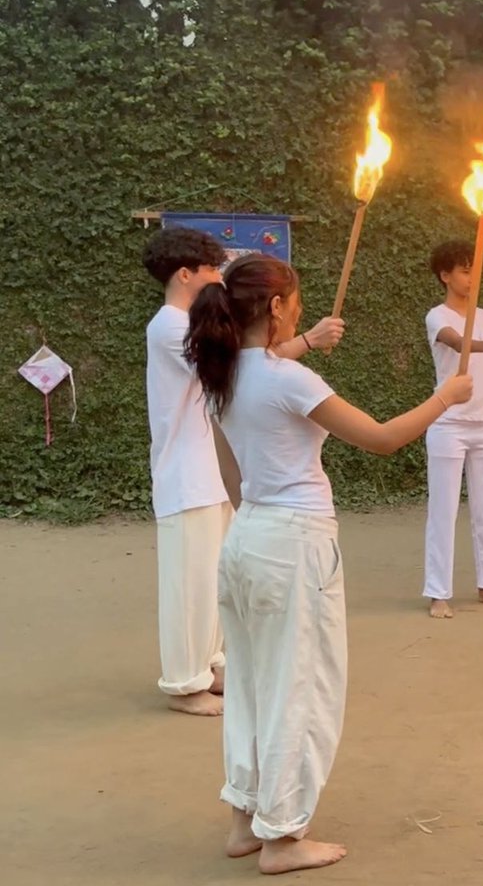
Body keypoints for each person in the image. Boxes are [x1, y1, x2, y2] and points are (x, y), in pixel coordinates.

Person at [185, 254, 472, 874]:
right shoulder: (287, 379)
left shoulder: (221, 373)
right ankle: (283, 834)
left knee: (253, 685)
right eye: (295, 302)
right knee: (300, 687)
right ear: (275, 307)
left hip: (248, 537)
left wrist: (261, 517)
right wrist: (445, 397)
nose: (300, 312)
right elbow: (382, 438)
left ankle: (246, 819)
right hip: (293, 543)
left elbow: (233, 474)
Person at [143, 228, 343, 717]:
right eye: (211, 269)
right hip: (184, 475)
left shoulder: (191, 323)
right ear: (184, 275)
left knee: (213, 579)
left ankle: (208, 665)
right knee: (188, 585)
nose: (218, 277)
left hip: (210, 469)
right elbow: (241, 364)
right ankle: (183, 682)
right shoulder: (169, 325)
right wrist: (308, 341)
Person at [422, 241, 483, 620]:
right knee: (443, 511)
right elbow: (456, 342)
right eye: (464, 271)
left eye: (474, 269)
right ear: (445, 275)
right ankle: (438, 592)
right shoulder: (437, 316)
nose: (471, 277)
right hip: (448, 423)